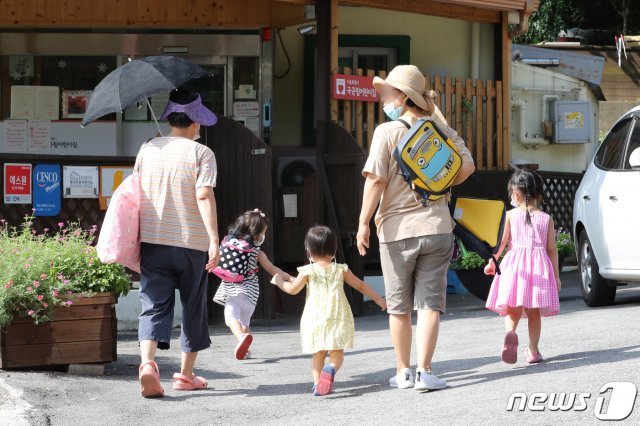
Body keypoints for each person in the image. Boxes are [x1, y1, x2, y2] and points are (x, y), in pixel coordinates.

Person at [356, 65, 475, 391]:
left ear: (402, 97)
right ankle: (425, 372)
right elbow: (467, 166)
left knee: (399, 307)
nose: (385, 99)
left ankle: (403, 372)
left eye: (389, 93)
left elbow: (376, 180)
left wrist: (363, 222)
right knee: (429, 305)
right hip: (436, 227)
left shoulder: (386, 132)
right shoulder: (440, 131)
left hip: (395, 233)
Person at [134, 87, 220, 398]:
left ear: (171, 118)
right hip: (191, 243)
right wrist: (214, 240)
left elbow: (136, 191)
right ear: (196, 123)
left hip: (154, 240)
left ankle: (147, 363)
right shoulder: (202, 153)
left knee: (153, 305)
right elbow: (204, 195)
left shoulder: (147, 149)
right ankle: (185, 375)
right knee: (193, 307)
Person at [272, 226, 387, 396]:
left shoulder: (308, 271)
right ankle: (331, 368)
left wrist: (278, 281)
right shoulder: (341, 269)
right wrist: (378, 299)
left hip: (315, 317)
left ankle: (318, 383)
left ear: (309, 252)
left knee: (318, 352)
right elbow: (360, 286)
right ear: (334, 251)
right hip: (337, 316)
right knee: (336, 352)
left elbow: (292, 290)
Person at [484, 168, 561, 364]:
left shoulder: (510, 215)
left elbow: (501, 242)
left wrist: (492, 261)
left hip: (515, 268)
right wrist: (557, 277)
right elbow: (552, 250)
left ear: (516, 195)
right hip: (538, 270)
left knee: (513, 309)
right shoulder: (546, 219)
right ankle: (533, 351)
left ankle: (510, 333)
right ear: (538, 193)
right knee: (534, 312)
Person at [213, 209, 294, 360]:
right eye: (263, 233)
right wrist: (289, 277)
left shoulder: (229, 245)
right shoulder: (257, 253)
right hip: (251, 293)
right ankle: (246, 350)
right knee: (245, 321)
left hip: (233, 290)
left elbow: (219, 263)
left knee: (230, 316)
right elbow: (272, 269)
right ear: (257, 235)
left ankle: (241, 338)